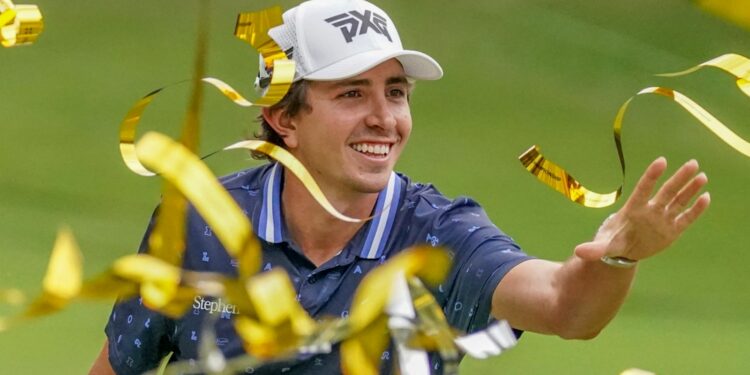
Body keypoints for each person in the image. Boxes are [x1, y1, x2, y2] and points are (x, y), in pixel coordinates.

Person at [89, 0, 711, 373]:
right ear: (283, 118)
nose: (384, 118)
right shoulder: (199, 222)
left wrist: (619, 256)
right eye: (351, 93)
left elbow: (566, 307)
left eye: (396, 92)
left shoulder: (439, 235)